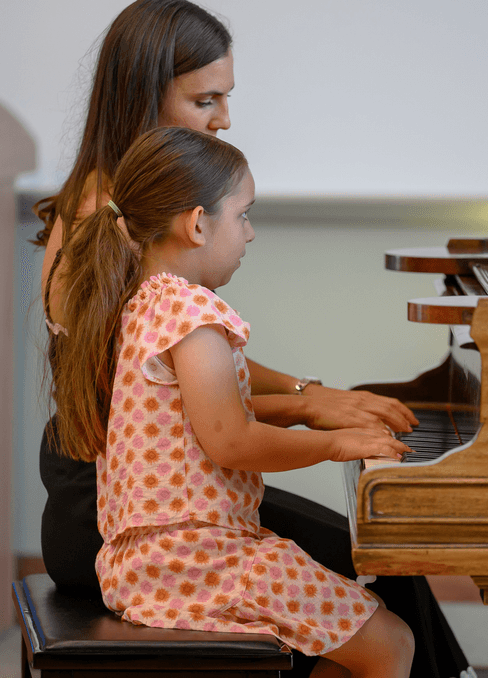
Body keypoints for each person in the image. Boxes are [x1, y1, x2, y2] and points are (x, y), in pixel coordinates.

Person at [34, 0, 472, 677]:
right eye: (205, 100)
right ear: (146, 95)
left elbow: (190, 387)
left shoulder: (150, 262)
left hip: (158, 509)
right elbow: (213, 416)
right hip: (121, 510)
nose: (224, 118)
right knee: (371, 574)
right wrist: (310, 408)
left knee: (379, 566)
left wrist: (308, 399)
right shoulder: (109, 220)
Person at [52, 125, 415, 676]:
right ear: (198, 224)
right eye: (243, 215)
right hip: (197, 559)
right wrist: (335, 444)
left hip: (150, 562)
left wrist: (307, 411)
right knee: (390, 642)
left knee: (368, 630)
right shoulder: (191, 315)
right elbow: (230, 440)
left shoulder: (138, 305)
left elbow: (197, 418)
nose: (250, 233)